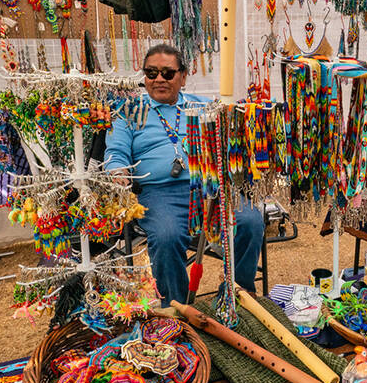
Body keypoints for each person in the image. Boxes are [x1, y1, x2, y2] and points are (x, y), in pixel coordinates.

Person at [106, 43, 265, 306]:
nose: (158, 79)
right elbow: (115, 153)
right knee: (167, 236)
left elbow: (231, 140)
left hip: (209, 186)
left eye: (167, 73)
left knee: (250, 221)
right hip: (159, 192)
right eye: (151, 72)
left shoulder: (205, 106)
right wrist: (118, 173)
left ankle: (237, 293)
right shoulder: (128, 111)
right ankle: (177, 308)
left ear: (183, 76)